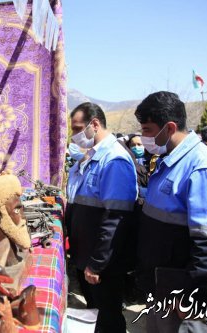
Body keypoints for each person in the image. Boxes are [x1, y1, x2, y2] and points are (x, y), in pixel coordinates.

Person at [134, 91, 207, 332]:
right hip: (162, 288)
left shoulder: (202, 166)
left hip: (182, 298)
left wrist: (192, 295)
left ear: (169, 127)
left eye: (147, 130)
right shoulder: (168, 160)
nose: (143, 137)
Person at [66, 102, 137, 333]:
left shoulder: (114, 159)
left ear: (94, 124)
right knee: (95, 314)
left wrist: (97, 264)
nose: (75, 135)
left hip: (102, 263)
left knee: (108, 317)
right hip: (86, 258)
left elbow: (116, 218)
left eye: (78, 129)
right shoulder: (90, 158)